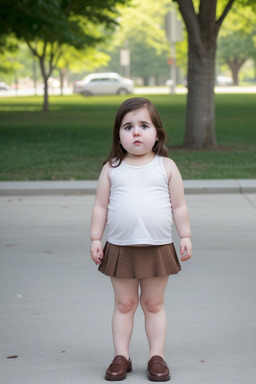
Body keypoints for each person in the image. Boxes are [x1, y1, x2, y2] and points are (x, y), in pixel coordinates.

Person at [90, 97, 192, 382]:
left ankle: (156, 356)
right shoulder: (112, 167)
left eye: (143, 125)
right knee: (124, 304)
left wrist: (185, 235)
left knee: (153, 304)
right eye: (128, 126)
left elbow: (179, 205)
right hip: (121, 248)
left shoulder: (166, 167)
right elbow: (100, 205)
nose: (136, 132)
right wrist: (95, 238)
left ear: (157, 133)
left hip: (157, 247)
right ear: (118, 136)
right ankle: (121, 356)